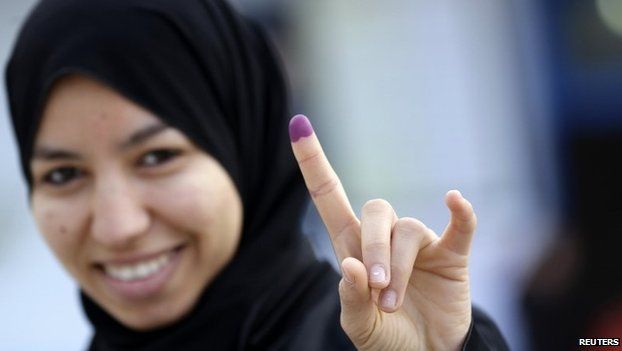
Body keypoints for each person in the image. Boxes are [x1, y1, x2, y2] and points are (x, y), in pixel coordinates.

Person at [5, 0, 509, 350]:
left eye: (157, 157)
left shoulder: (368, 340)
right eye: (63, 173)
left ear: (244, 151)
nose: (118, 226)